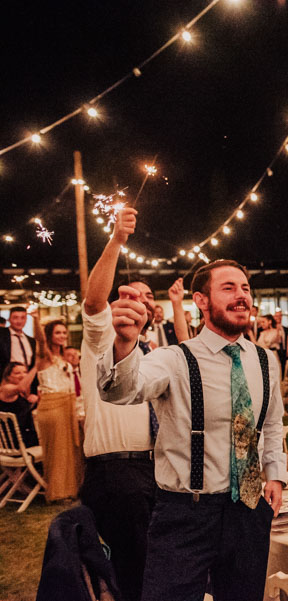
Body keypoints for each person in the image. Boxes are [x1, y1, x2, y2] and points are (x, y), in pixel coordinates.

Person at [97, 259, 287, 601]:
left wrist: (275, 474)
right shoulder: (174, 359)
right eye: (228, 288)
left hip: (247, 510)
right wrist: (125, 344)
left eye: (245, 288)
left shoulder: (265, 360)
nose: (241, 296)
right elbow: (119, 392)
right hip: (185, 514)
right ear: (201, 300)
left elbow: (272, 423)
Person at [77, 206, 162, 601]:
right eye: (131, 295)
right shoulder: (101, 338)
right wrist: (117, 240)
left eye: (147, 297)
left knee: (157, 568)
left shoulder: (152, 353)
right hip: (117, 475)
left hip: (155, 470)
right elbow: (94, 301)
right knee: (134, 576)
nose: (139, 301)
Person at [32, 316, 84, 501]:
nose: (62, 336)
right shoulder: (44, 355)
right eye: (58, 333)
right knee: (58, 451)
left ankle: (71, 488)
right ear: (50, 335)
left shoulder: (63, 357)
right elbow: (40, 339)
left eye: (64, 332)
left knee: (70, 449)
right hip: (52, 405)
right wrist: (36, 319)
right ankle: (58, 492)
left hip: (68, 405)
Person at [0, 362, 40, 447]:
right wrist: (36, 366)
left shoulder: (22, 392)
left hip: (26, 435)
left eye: (25, 372)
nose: (23, 375)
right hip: (15, 441)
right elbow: (22, 387)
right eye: (17, 373)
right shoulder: (5, 389)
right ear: (8, 376)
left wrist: (35, 399)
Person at [0, 306, 36, 376]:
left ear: (26, 319)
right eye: (15, 317)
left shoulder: (31, 341)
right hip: (6, 377)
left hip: (27, 377)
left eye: (23, 318)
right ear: (9, 319)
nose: (19, 321)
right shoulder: (2, 334)